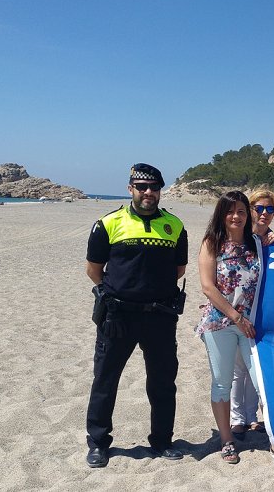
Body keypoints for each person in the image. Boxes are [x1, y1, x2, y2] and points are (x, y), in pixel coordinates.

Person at [84, 163, 188, 468]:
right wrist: (119, 293)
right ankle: (98, 443)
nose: (148, 193)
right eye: (142, 187)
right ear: (131, 188)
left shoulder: (175, 226)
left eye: (154, 187)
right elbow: (94, 270)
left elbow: (178, 270)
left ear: (160, 190)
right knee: (105, 380)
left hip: (160, 317)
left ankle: (162, 441)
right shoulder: (109, 223)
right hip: (118, 318)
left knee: (163, 382)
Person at [197, 191, 261, 464]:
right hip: (220, 322)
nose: (236, 216)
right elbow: (207, 287)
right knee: (222, 383)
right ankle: (227, 441)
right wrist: (236, 316)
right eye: (230, 211)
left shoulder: (255, 243)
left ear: (248, 215)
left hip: (252, 325)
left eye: (242, 211)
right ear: (222, 214)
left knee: (262, 381)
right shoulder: (212, 243)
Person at [229, 188, 274, 438]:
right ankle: (236, 418)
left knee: (255, 366)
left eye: (270, 209)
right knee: (237, 368)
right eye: (259, 208)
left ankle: (251, 417)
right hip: (236, 309)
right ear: (250, 210)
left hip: (262, 310)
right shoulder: (240, 236)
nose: (264, 213)